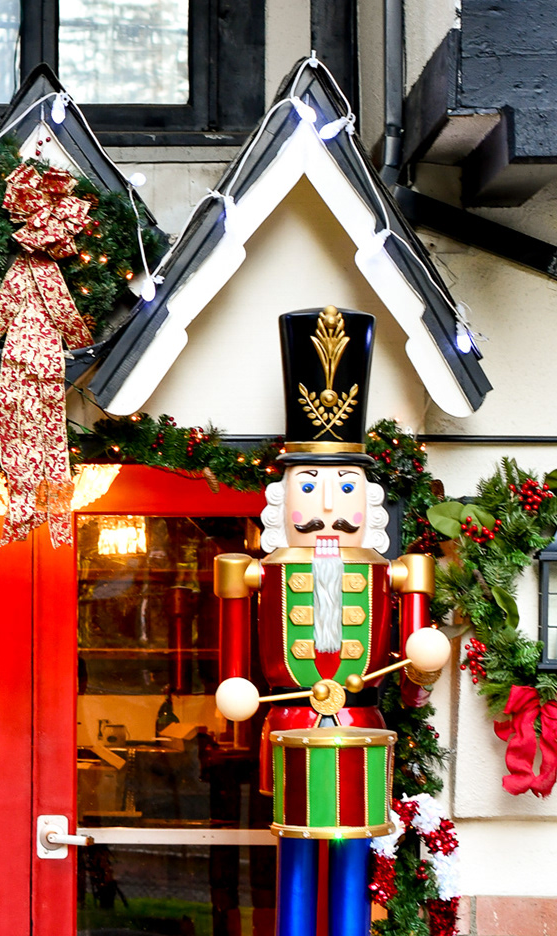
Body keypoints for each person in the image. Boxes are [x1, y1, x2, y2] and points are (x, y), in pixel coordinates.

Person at [208, 307, 450, 936]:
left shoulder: (392, 569)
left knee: (350, 855)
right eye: (309, 486)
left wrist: (422, 662)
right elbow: (234, 670)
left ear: (366, 498)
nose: (326, 508)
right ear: (283, 496)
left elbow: (415, 671)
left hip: (361, 728)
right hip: (289, 725)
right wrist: (235, 690)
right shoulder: (259, 570)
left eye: (345, 488)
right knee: (293, 848)